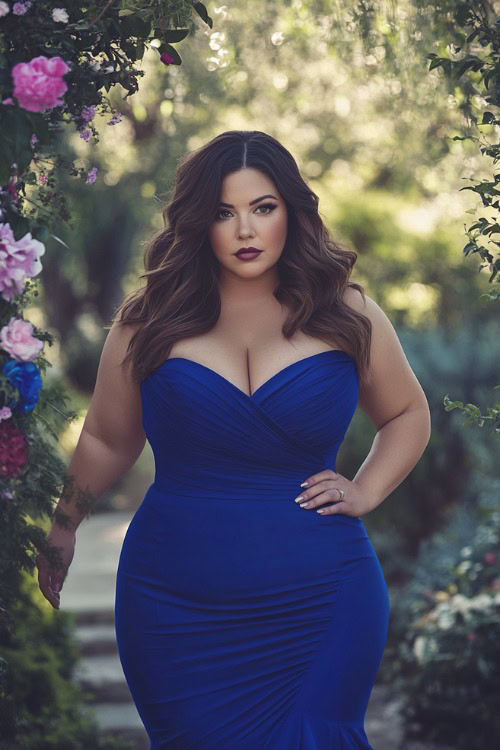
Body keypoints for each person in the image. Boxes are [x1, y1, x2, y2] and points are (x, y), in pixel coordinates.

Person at [37, 130, 431, 749]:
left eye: (263, 208)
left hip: (323, 594)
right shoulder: (149, 321)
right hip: (175, 599)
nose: (245, 230)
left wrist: (366, 489)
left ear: (291, 212)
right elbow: (108, 442)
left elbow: (407, 413)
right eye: (224, 212)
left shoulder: (347, 312)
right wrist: (61, 531)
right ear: (200, 222)